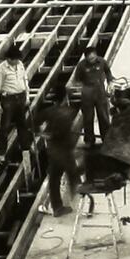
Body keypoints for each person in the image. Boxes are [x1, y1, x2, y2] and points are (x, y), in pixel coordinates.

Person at [35, 86, 79, 216]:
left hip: (54, 151)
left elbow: (32, 122)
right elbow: (61, 132)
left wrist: (43, 133)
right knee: (73, 174)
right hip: (66, 150)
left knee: (54, 180)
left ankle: (58, 207)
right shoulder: (68, 112)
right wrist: (50, 134)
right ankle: (76, 198)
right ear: (65, 98)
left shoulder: (49, 112)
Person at [0, 42, 31, 160]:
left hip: (21, 97)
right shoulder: (1, 69)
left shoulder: (20, 64)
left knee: (22, 125)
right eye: (15, 60)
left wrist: (27, 97)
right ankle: (1, 153)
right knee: (5, 127)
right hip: (9, 99)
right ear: (8, 59)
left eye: (18, 59)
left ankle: (25, 148)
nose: (17, 61)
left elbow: (25, 80)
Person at [72, 46, 113, 150]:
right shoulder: (81, 66)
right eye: (90, 58)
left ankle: (106, 138)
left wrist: (110, 82)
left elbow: (108, 72)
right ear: (86, 57)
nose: (92, 59)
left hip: (100, 92)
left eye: (93, 57)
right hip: (87, 94)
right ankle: (89, 140)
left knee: (103, 116)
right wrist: (81, 88)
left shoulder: (102, 62)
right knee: (88, 118)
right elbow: (76, 79)